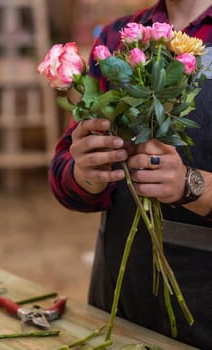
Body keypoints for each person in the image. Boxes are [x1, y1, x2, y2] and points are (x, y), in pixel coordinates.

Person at [49, 0, 212, 348]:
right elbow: (62, 172)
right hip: (117, 305)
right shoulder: (116, 37)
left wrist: (191, 185)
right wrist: (87, 175)